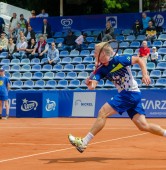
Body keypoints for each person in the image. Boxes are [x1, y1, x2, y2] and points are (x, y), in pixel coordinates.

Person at [68, 41, 166, 153]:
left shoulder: (119, 60)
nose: (94, 54)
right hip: (131, 94)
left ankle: (84, 142)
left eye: (96, 53)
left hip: (129, 93)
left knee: (102, 112)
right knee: (143, 126)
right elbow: (93, 85)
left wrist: (145, 74)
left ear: (103, 54)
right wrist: (91, 84)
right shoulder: (101, 69)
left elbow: (139, 59)